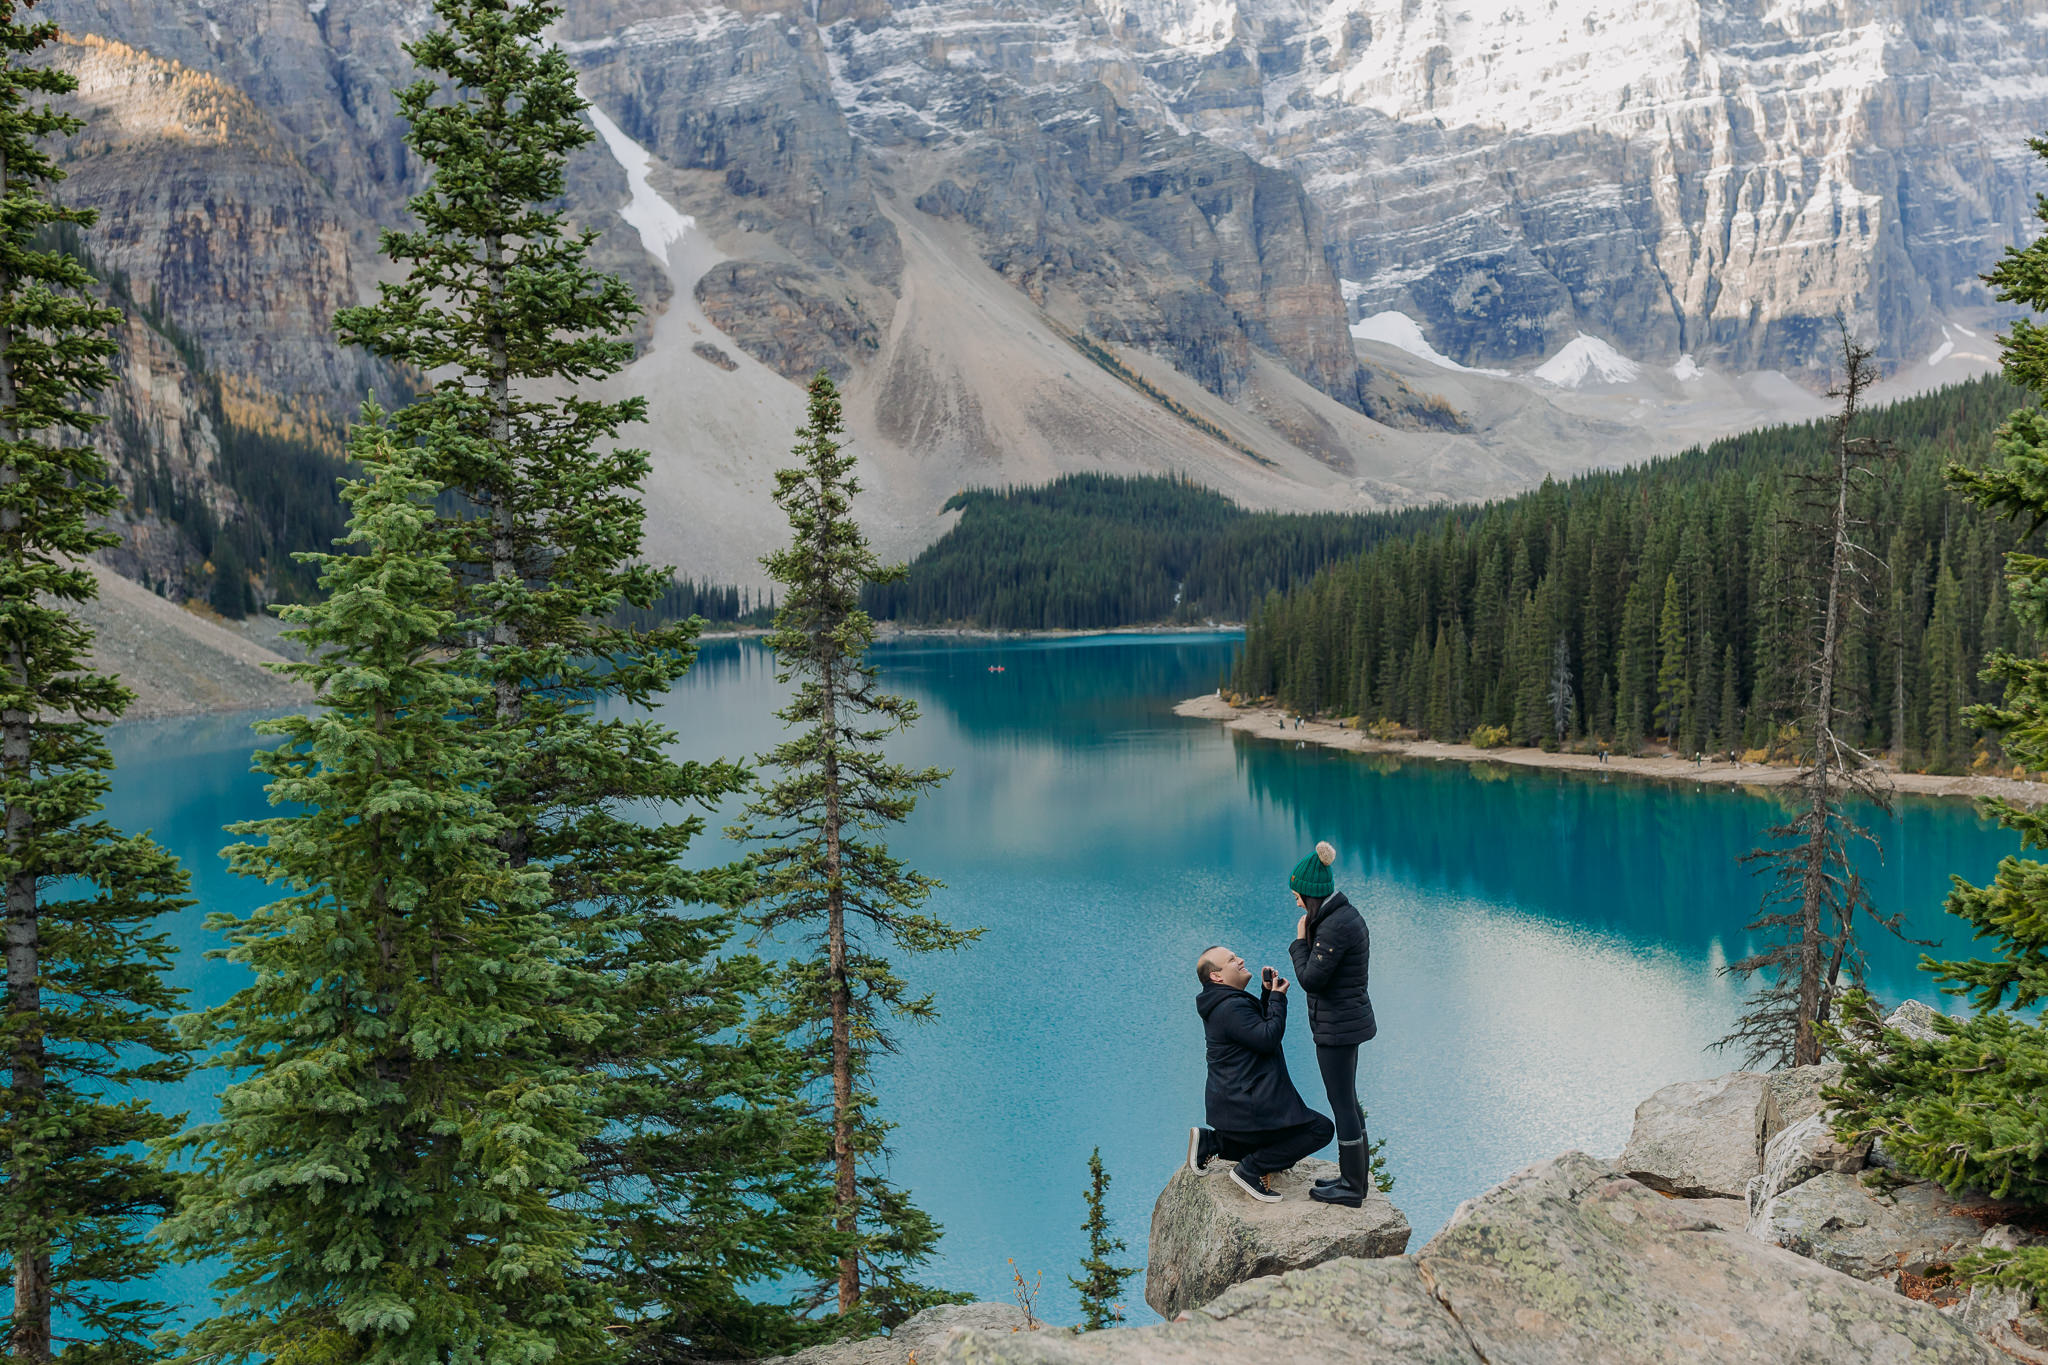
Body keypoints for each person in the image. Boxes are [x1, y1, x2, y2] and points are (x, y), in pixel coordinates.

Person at [1184, 946, 1334, 1203]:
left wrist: (1266, 995)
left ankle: (1214, 1142)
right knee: (1320, 1130)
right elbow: (1267, 1038)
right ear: (1217, 977)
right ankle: (1250, 1170)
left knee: (1273, 1142)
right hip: (1250, 1104)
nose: (1240, 959)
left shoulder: (1223, 1004)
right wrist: (1277, 999)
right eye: (1232, 960)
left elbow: (1253, 1032)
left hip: (1236, 1102)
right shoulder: (1230, 1007)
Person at [1286, 841, 1378, 1208]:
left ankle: (1352, 1187)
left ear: (1309, 893)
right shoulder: (1340, 917)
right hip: (1345, 1022)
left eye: (1296, 895)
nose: (1295, 902)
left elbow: (1311, 978)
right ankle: (1352, 1177)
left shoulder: (1333, 925)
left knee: (1341, 1103)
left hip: (1337, 1028)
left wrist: (1298, 941)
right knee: (1348, 1102)